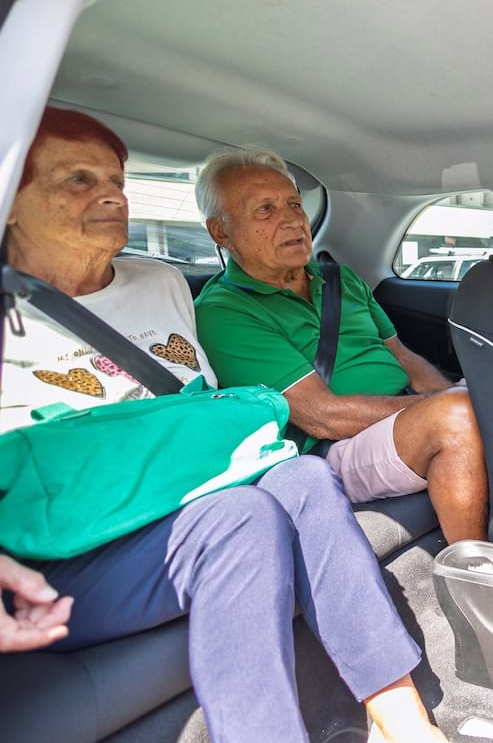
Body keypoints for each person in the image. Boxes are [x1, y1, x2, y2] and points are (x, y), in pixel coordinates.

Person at [0, 107, 447, 742]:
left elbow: (207, 409)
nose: (110, 195)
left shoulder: (159, 283)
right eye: (77, 179)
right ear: (9, 201)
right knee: (242, 518)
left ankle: (406, 723)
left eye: (118, 179)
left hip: (183, 504)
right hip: (68, 549)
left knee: (303, 477)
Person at [192, 150, 487, 543]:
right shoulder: (222, 312)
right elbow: (321, 417)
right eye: (265, 209)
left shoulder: (341, 279)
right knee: (459, 416)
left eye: (294, 203)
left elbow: (405, 360)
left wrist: (452, 394)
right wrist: (449, 407)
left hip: (399, 420)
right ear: (221, 233)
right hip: (330, 448)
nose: (293, 218)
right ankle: (479, 571)